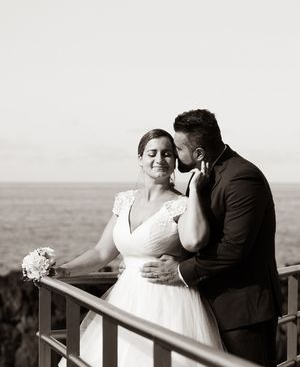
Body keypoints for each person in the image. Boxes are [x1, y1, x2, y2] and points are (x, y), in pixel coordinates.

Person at [54, 128, 223, 367]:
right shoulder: (125, 201)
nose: (159, 159)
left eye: (167, 154)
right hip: (125, 300)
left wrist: (195, 191)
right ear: (140, 159)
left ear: (175, 161)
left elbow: (193, 241)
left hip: (168, 303)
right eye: (152, 153)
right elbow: (102, 252)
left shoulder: (181, 205)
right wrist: (63, 271)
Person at [141, 109, 282, 367]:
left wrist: (180, 271)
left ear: (198, 154)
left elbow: (234, 247)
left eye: (177, 148)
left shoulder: (242, 177)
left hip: (242, 311)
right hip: (209, 306)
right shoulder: (202, 177)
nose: (174, 154)